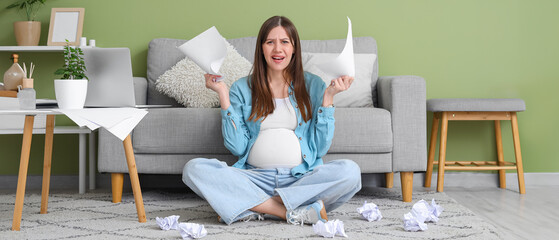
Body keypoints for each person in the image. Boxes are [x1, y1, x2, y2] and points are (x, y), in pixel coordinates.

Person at [182, 16, 361, 225]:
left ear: (294, 48)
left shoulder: (314, 86)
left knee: (350, 172)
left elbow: (320, 149)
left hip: (300, 179)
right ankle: (288, 212)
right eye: (270, 42)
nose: (278, 49)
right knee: (194, 169)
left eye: (284, 42)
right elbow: (237, 147)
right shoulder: (242, 88)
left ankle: (252, 206)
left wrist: (328, 98)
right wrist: (223, 93)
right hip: (253, 178)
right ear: (261, 48)